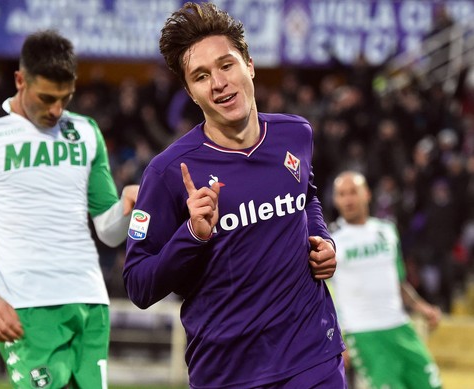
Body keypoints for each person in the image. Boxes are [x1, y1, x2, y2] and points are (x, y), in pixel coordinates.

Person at [123, 3, 346, 388]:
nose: (219, 83)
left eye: (226, 65)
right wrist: (192, 234)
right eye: (201, 76)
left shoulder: (297, 134)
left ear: (250, 65)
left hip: (313, 357)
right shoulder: (167, 173)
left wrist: (321, 239)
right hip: (228, 373)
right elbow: (139, 285)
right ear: (191, 92)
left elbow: (306, 196)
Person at [0, 30, 138, 389]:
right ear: (19, 80)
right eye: (46, 98)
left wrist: (126, 206)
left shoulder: (86, 131)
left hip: (89, 303)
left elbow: (108, 232)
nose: (57, 110)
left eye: (65, 98)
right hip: (25, 308)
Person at [329, 171, 443, 389]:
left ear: (367, 194)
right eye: (341, 194)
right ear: (335, 200)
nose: (348, 199)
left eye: (353, 192)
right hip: (364, 334)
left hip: (401, 328)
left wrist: (422, 307)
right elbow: (321, 296)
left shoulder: (387, 232)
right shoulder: (330, 240)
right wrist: (336, 340)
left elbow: (398, 283)